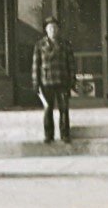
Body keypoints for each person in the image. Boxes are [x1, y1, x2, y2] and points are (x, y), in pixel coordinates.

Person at [31, 16, 76, 144]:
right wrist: (35, 82)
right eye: (50, 28)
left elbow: (71, 63)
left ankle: (65, 135)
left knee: (64, 109)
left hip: (62, 81)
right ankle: (48, 135)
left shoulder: (65, 44)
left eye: (55, 27)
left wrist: (72, 79)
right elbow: (35, 65)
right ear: (46, 30)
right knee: (48, 109)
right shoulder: (39, 45)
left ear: (58, 29)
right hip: (46, 82)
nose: (53, 30)